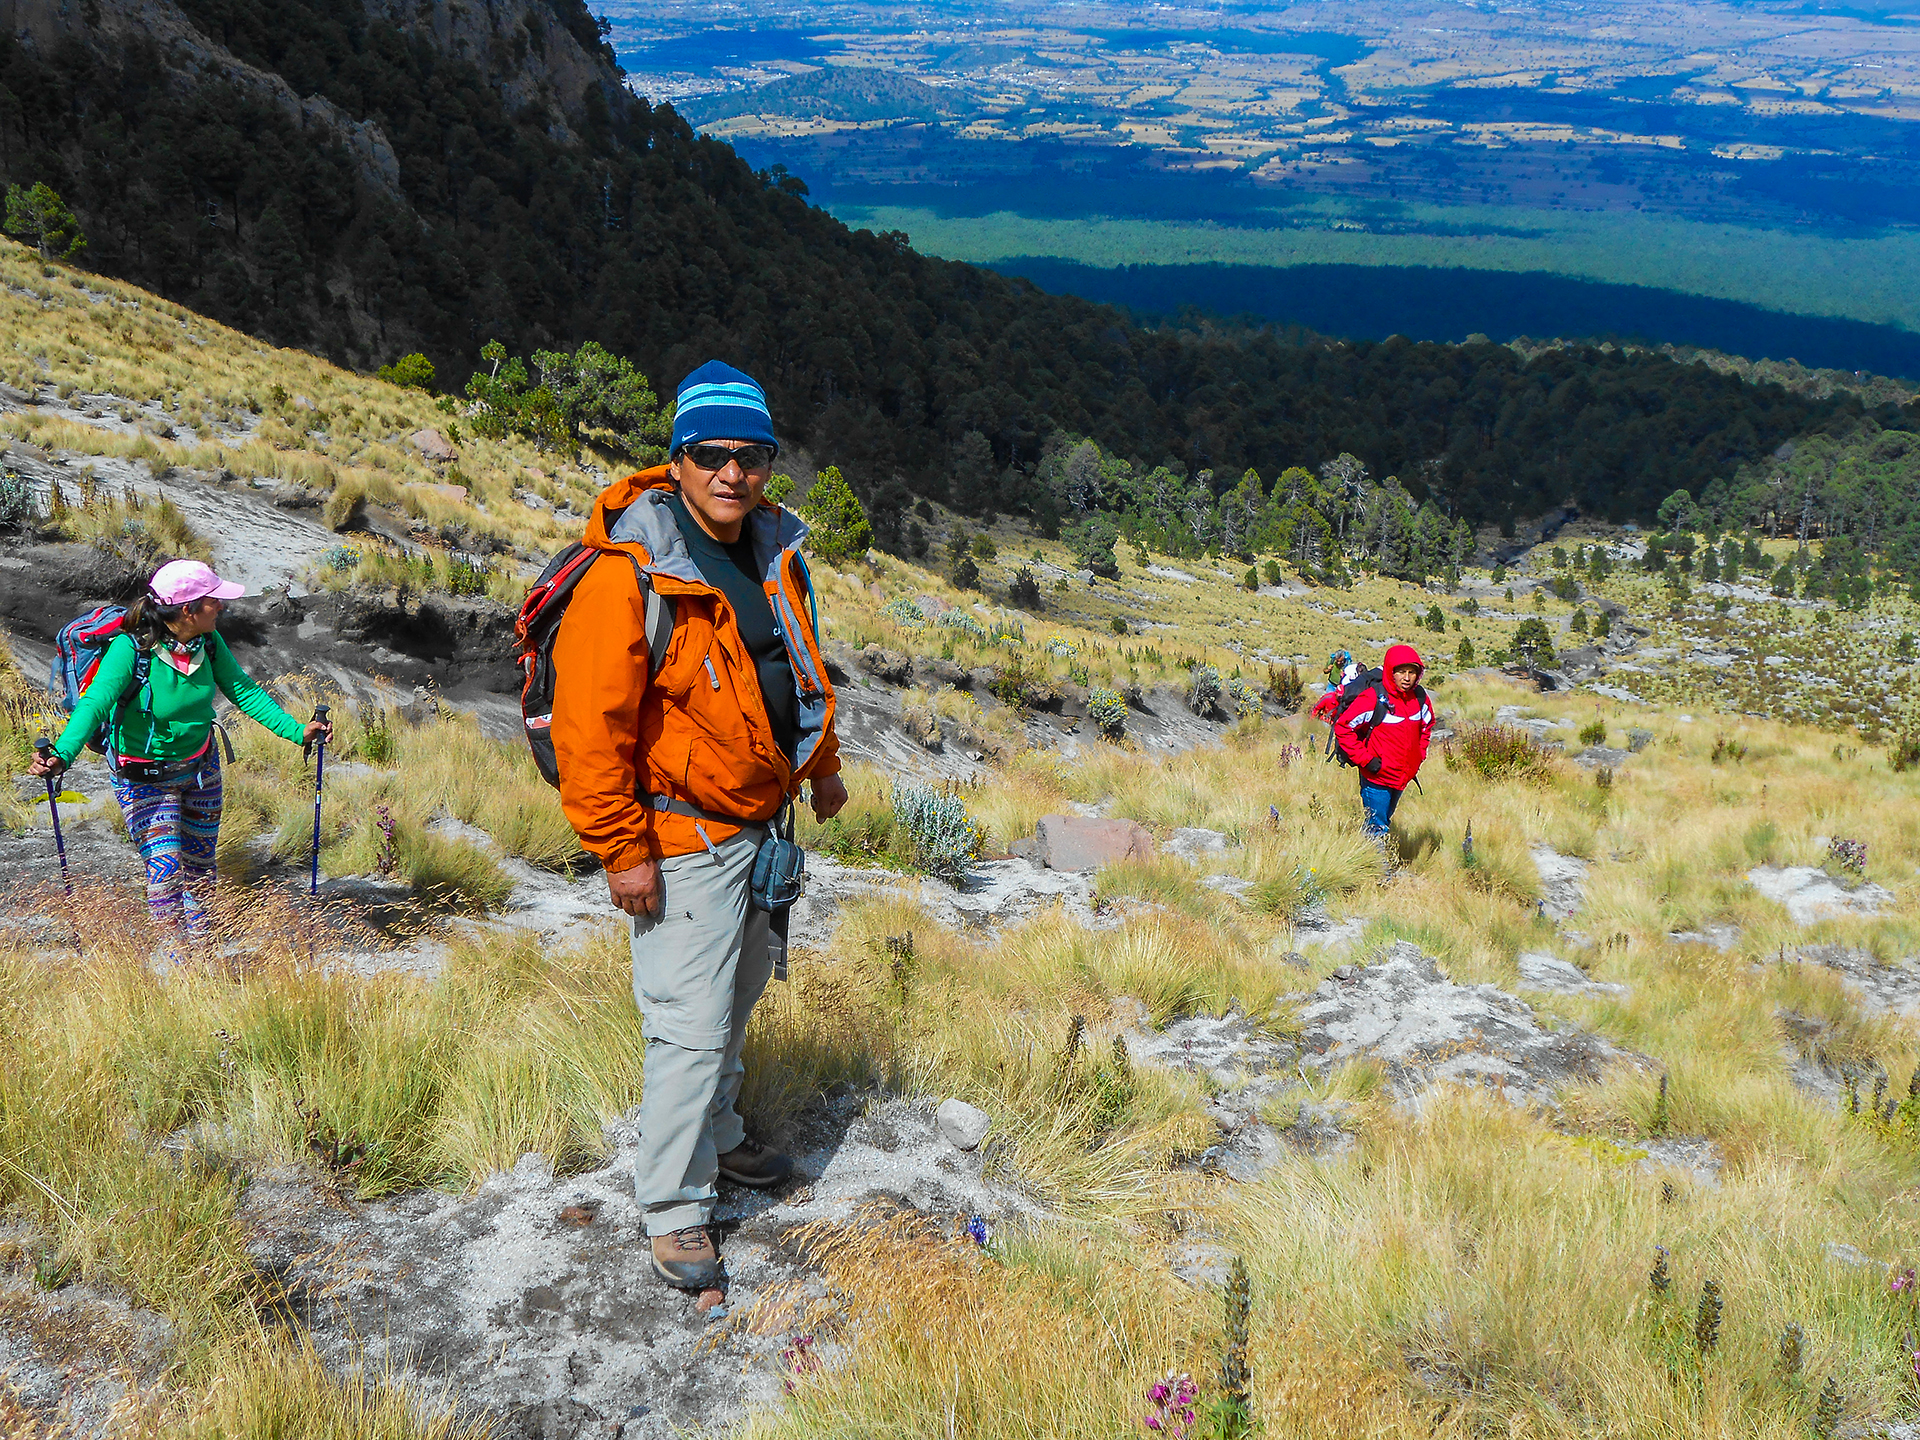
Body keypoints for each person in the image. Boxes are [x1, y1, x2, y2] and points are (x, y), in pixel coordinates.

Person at [549, 360, 848, 1293]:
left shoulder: (769, 546)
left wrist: (822, 768)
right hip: (681, 837)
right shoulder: (626, 571)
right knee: (688, 1024)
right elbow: (590, 727)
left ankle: (720, 1139)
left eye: (750, 455)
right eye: (710, 454)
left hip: (760, 822)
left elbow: (790, 665)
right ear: (676, 459)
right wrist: (621, 849)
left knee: (741, 994)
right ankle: (677, 1209)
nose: (732, 473)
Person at [27, 560, 330, 949]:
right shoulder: (130, 649)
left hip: (201, 770)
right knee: (167, 871)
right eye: (214, 601)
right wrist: (62, 754)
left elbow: (245, 692)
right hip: (143, 779)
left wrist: (298, 732)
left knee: (201, 869)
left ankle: (201, 948)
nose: (222, 606)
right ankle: (175, 958)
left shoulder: (208, 643)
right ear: (188, 609)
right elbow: (95, 704)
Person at [1333, 643, 1432, 837]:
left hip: (1402, 775)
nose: (1406, 677)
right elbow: (1343, 728)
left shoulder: (1419, 698)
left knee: (1382, 821)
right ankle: (1376, 865)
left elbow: (1426, 728)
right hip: (1376, 776)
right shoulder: (1373, 698)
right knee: (1378, 827)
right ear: (1390, 671)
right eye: (1401, 671)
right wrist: (1366, 760)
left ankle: (1361, 852)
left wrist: (1418, 757)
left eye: (1412, 672)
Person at [1310, 648, 1359, 722]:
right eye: (1337, 661)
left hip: (1341, 687)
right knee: (1327, 701)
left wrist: (1344, 675)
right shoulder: (1332, 661)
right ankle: (1325, 718)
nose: (1339, 663)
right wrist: (1328, 669)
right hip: (1331, 684)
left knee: (1339, 704)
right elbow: (1325, 671)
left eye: (1341, 661)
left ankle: (1334, 719)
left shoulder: (1347, 664)